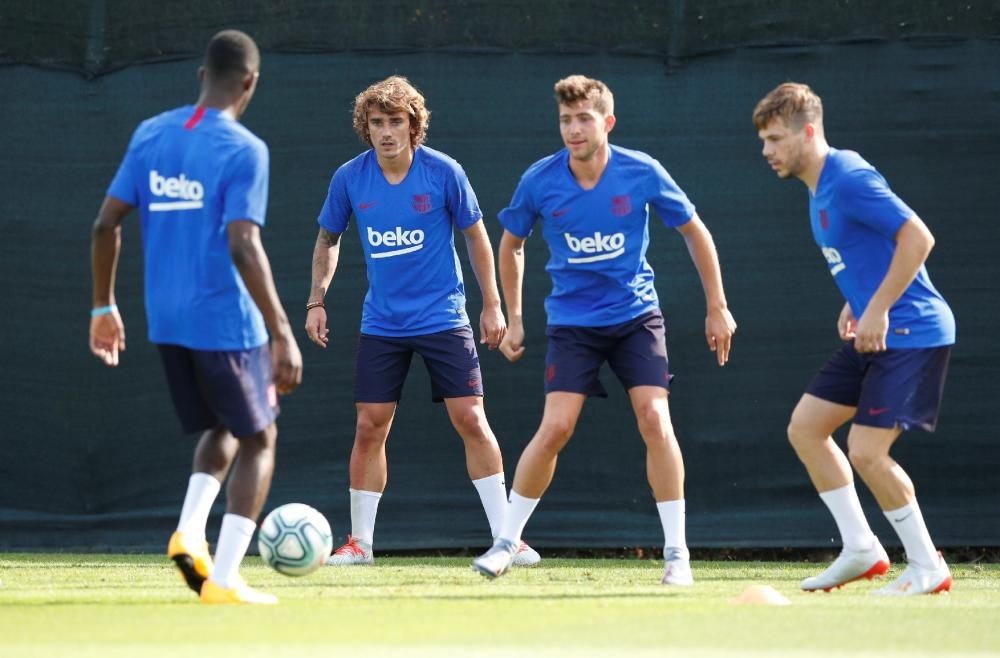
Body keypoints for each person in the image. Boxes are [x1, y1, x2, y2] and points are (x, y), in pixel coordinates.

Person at [472, 75, 737, 584]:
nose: (573, 130)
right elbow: (511, 245)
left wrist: (717, 306)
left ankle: (677, 555)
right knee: (556, 428)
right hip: (573, 324)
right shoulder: (540, 180)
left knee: (655, 419)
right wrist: (517, 316)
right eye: (566, 120)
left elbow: (694, 231)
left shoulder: (642, 172)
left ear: (607, 123)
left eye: (584, 119)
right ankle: (506, 543)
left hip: (637, 318)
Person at [89, 30, 302, 605]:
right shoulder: (244, 149)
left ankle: (189, 531)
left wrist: (103, 306)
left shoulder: (151, 133)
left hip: (166, 320)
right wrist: (282, 331)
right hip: (224, 321)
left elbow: (105, 225)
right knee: (262, 436)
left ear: (201, 76)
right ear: (251, 83)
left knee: (226, 424)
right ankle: (226, 579)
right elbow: (243, 246)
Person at [305, 76, 539, 567]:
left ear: (414, 126)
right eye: (377, 123)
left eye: (396, 121)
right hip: (382, 324)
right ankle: (361, 545)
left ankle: (506, 539)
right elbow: (328, 239)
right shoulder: (349, 178)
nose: (386, 131)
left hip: (443, 317)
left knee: (471, 418)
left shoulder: (444, 172)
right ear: (365, 128)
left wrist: (492, 303)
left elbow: (476, 237)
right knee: (370, 426)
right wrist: (316, 300)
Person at [752, 82, 955, 596]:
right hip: (878, 330)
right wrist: (857, 301)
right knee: (806, 427)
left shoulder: (847, 177)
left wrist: (880, 307)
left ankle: (927, 567)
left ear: (809, 132)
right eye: (764, 140)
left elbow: (917, 237)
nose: (767, 151)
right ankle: (861, 548)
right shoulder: (820, 188)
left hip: (913, 331)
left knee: (866, 450)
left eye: (776, 139)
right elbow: (870, 251)